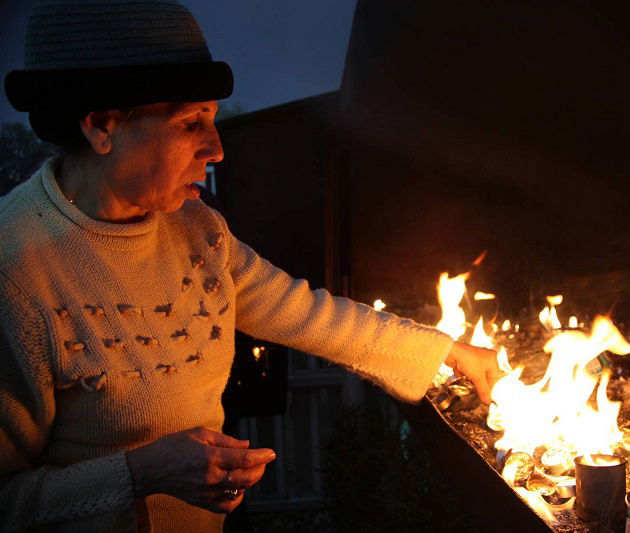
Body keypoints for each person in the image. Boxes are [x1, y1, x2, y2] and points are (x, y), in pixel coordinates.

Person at [0, 1, 502, 531]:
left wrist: (447, 351)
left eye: (213, 120)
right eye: (191, 122)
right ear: (102, 126)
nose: (216, 149)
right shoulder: (17, 273)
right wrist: (142, 473)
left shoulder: (196, 229)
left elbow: (309, 315)